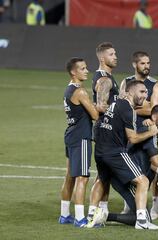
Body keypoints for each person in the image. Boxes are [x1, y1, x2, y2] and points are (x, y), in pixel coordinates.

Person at [89, 105, 158, 226]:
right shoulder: (149, 133)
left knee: (140, 215)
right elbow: (156, 161)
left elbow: (151, 162)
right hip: (127, 179)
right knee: (144, 218)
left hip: (126, 175)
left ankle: (102, 215)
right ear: (153, 117)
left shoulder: (148, 130)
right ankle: (103, 215)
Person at [90, 80, 158, 230]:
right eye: (142, 92)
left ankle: (92, 215)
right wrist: (151, 132)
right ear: (130, 92)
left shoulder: (116, 103)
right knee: (143, 181)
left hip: (100, 152)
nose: (145, 96)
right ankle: (142, 222)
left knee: (102, 180)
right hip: (115, 152)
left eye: (146, 93)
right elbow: (133, 138)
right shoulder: (128, 110)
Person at [119, 51, 158, 218]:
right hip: (129, 130)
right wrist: (144, 105)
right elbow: (122, 105)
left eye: (148, 63)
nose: (147, 66)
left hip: (148, 130)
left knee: (151, 169)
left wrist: (133, 106)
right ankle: (129, 205)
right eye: (143, 63)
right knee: (129, 167)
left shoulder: (155, 84)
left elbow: (155, 110)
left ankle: (154, 208)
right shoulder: (127, 81)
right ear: (134, 64)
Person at [59, 57, 99, 227]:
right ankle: (80, 218)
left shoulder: (68, 89)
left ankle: (65, 215)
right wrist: (98, 105)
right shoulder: (80, 91)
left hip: (70, 134)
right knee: (82, 178)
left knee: (69, 176)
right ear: (73, 72)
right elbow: (95, 115)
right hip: (81, 137)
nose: (86, 70)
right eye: (82, 68)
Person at [87, 42, 120, 219]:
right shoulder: (104, 79)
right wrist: (120, 111)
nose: (115, 56)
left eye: (115, 54)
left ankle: (103, 209)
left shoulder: (108, 77)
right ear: (102, 58)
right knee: (103, 174)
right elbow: (100, 106)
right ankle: (93, 211)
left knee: (106, 174)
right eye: (111, 54)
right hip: (105, 131)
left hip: (109, 130)